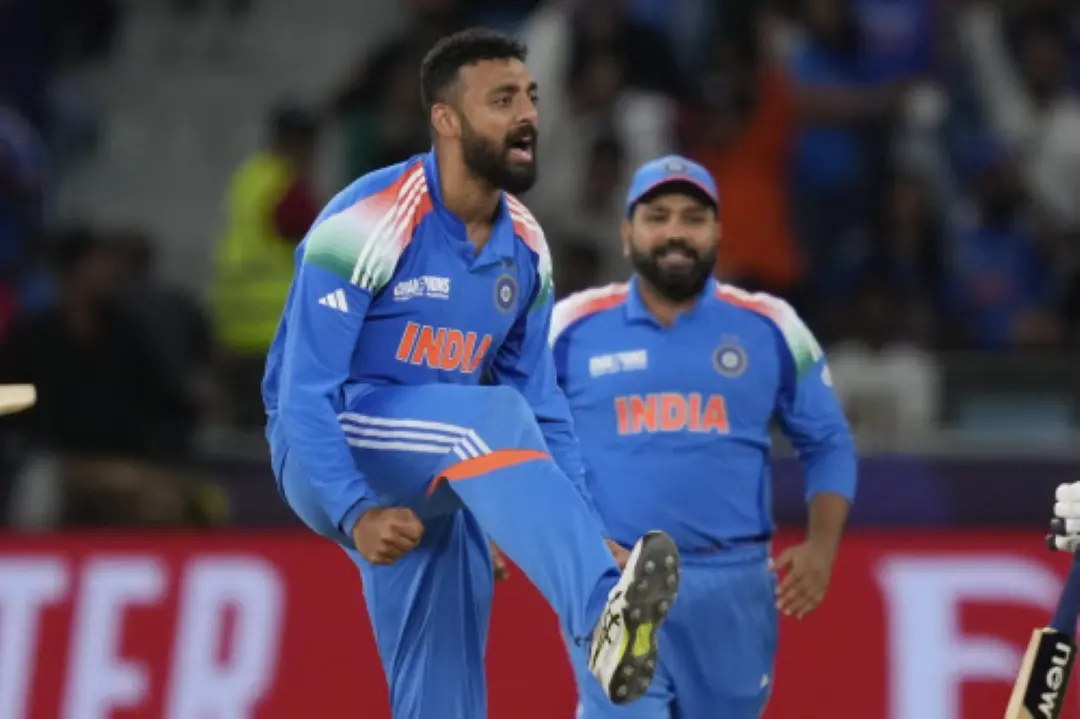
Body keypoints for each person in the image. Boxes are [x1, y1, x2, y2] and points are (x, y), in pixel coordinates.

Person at [262, 29, 681, 718]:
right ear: (447, 120)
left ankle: (602, 603)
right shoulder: (368, 220)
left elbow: (542, 404)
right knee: (489, 420)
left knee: (442, 679)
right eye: (503, 100)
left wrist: (580, 521)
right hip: (329, 447)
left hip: (437, 463)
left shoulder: (527, 247)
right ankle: (602, 610)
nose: (527, 116)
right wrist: (355, 509)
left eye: (531, 98)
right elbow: (302, 392)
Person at [550, 155, 858, 718]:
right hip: (611, 579)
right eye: (657, 216)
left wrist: (822, 546)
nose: (674, 232)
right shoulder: (569, 326)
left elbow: (829, 442)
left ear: (717, 232)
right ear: (626, 234)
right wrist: (521, 532)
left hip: (733, 586)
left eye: (693, 218)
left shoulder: (771, 324)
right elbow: (513, 433)